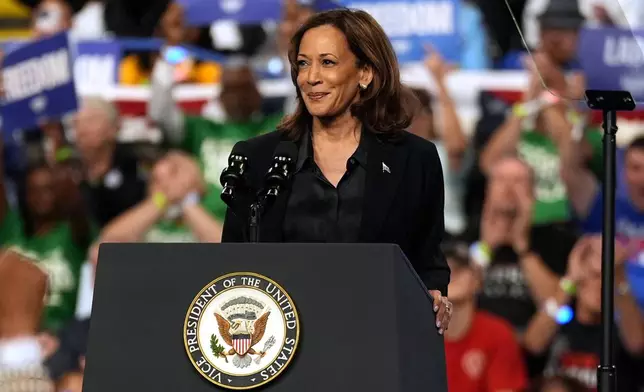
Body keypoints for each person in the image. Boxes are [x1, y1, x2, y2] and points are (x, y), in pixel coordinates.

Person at [222, 9, 453, 332]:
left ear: (365, 73)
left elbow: (428, 262)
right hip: (279, 344)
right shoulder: (257, 158)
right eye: (303, 63)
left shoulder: (415, 159)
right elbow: (230, 269)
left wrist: (436, 296)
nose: (310, 77)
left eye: (327, 62)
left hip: (376, 337)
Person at [442, 241, 528, 392]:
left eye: (460, 268)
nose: (451, 274)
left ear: (477, 281)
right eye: (444, 268)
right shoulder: (418, 334)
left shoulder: (498, 334)